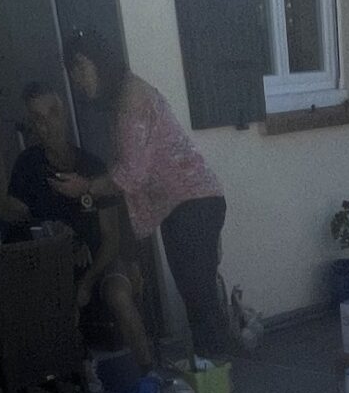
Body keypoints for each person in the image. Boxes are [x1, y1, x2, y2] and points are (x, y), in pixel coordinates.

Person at [62, 32, 229, 360]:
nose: (77, 79)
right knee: (198, 295)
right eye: (72, 72)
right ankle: (214, 374)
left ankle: (215, 378)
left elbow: (130, 175)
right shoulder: (124, 98)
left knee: (198, 296)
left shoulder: (130, 102)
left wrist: (85, 186)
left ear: (100, 61)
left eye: (80, 68)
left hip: (191, 204)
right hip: (188, 204)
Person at [4, 83, 154, 367]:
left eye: (53, 113)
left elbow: (111, 237)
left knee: (120, 297)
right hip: (53, 267)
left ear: (65, 113)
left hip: (101, 262)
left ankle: (150, 374)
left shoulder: (92, 167)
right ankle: (81, 378)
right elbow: (13, 215)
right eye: (38, 118)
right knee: (60, 305)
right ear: (33, 124)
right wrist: (58, 232)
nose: (48, 123)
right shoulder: (28, 165)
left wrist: (87, 282)